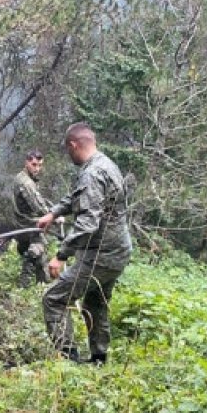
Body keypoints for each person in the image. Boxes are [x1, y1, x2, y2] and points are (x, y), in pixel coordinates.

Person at [37, 122, 132, 364]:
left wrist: (61, 255)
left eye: (68, 150)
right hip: (118, 252)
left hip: (101, 255)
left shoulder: (91, 173)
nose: (68, 155)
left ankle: (68, 361)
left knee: (54, 300)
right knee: (95, 304)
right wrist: (54, 213)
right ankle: (99, 360)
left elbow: (88, 223)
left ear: (74, 145)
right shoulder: (106, 164)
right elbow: (78, 196)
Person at [12, 149, 58, 287]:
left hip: (25, 222)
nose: (37, 168)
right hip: (27, 224)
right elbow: (37, 206)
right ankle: (24, 283)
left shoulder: (26, 178)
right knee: (37, 249)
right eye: (34, 164)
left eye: (39, 165)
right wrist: (55, 216)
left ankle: (42, 285)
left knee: (41, 257)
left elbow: (40, 202)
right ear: (27, 163)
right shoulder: (25, 183)